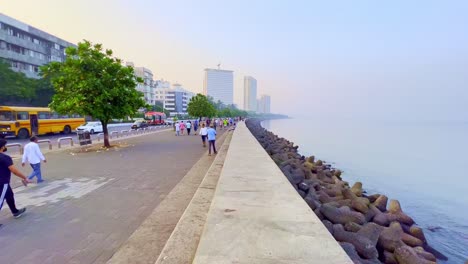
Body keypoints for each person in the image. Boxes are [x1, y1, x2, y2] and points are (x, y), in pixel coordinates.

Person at [0, 139, 28, 226]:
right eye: (5, 145)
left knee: (9, 195)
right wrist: (24, 177)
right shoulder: (5, 158)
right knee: (0, 200)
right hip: (2, 182)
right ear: (2, 147)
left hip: (3, 183)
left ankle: (15, 211)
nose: (5, 147)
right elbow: (14, 171)